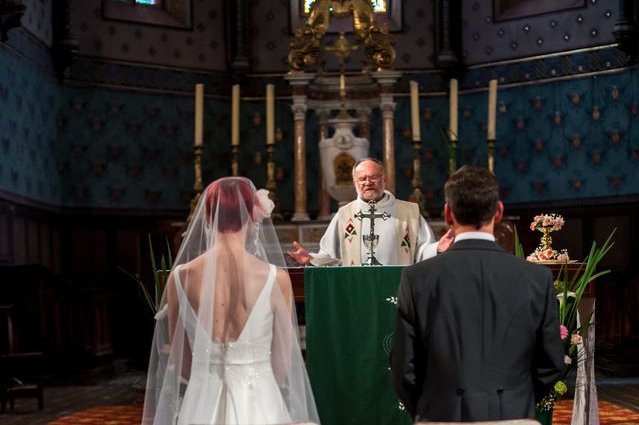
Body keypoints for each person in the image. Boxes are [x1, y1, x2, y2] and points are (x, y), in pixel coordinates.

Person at [391, 166, 565, 423]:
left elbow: (404, 369)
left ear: (448, 214)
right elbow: (551, 364)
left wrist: (431, 408)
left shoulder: (417, 277)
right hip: (514, 415)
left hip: (440, 415)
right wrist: (515, 402)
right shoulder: (536, 278)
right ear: (499, 212)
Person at [142, 177, 319, 425]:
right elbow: (282, 363)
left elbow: (181, 362)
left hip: (201, 401)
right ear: (252, 216)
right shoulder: (275, 278)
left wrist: (208, 373)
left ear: (206, 217)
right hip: (260, 401)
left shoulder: (180, 277)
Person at [288, 158, 454, 266]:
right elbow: (330, 256)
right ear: (355, 183)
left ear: (384, 179)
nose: (368, 182)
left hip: (397, 288)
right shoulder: (345, 215)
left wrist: (436, 248)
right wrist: (310, 259)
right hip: (358, 288)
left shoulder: (408, 212)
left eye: (374, 177)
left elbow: (421, 251)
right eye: (362, 179)